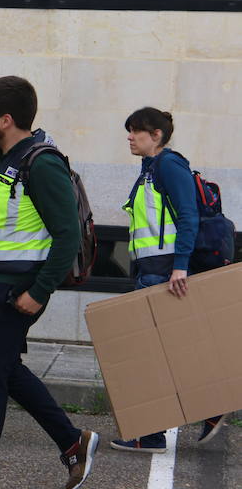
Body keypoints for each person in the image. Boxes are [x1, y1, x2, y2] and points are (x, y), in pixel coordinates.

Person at [0, 76, 98, 489]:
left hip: (17, 290)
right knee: (6, 371)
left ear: (6, 119)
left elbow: (66, 235)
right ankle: (72, 443)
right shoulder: (3, 161)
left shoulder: (41, 163)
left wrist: (38, 292)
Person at [109, 107, 228, 453]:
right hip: (152, 270)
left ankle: (155, 432)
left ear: (156, 135)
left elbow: (188, 216)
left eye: (136, 131)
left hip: (165, 271)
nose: (129, 137)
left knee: (152, 353)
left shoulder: (169, 165)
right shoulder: (150, 169)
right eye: (129, 131)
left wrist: (179, 266)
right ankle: (166, 427)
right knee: (161, 352)